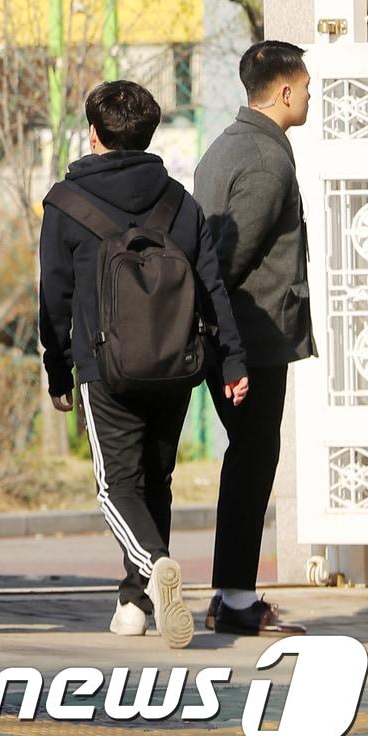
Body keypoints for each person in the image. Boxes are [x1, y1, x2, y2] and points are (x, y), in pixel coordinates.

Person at [39, 80, 248, 649]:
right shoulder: (181, 201)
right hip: (177, 364)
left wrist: (58, 370)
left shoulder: (65, 203)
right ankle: (133, 604)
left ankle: (154, 568)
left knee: (115, 486)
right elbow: (211, 287)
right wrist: (231, 361)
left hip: (105, 368)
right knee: (157, 480)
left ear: (94, 133)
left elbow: (53, 296)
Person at [193, 40, 315, 638]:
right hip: (253, 337)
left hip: (233, 335)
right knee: (252, 462)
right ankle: (237, 600)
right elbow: (229, 261)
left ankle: (229, 595)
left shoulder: (225, 145)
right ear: (286, 91)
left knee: (245, 460)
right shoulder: (268, 161)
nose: (311, 97)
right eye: (307, 87)